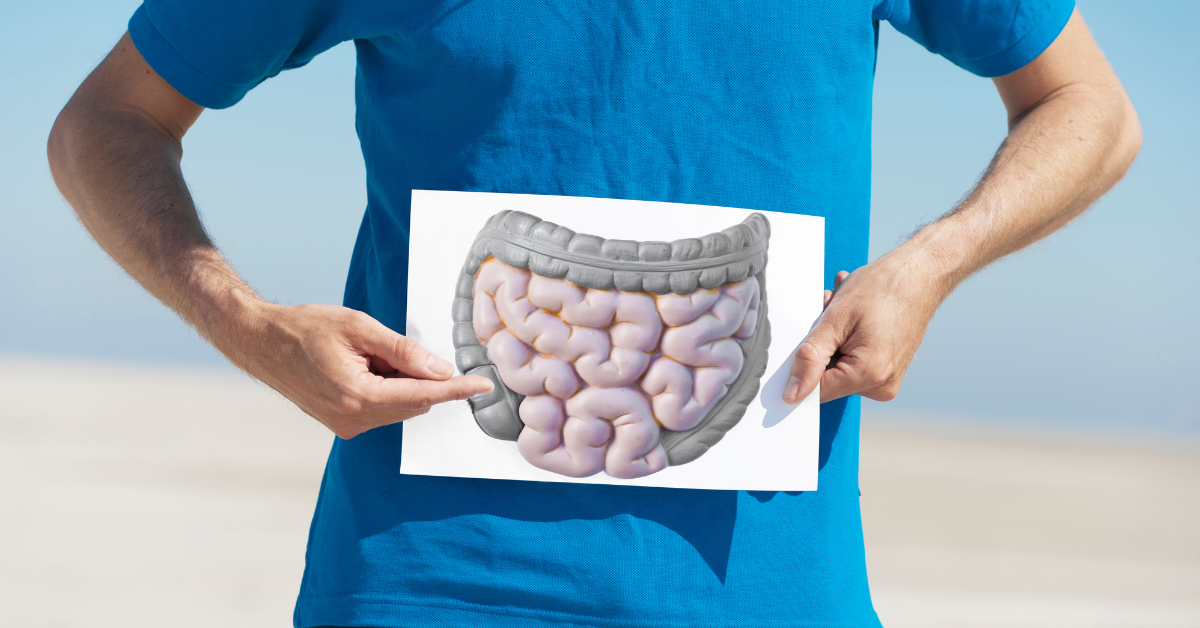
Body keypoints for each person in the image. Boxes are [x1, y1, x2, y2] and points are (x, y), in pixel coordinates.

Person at [47, 0, 1139, 625]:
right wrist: (247, 325)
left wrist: (931, 264)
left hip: (762, 587)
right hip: (423, 588)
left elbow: (1091, 107)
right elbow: (105, 123)